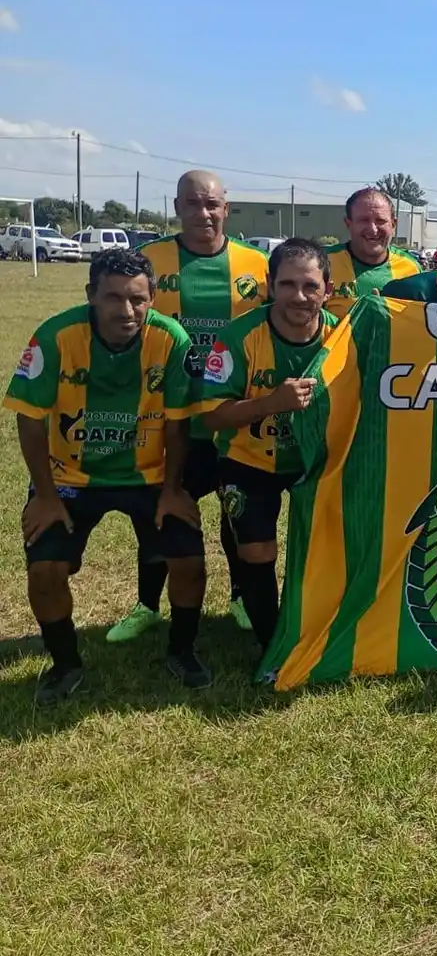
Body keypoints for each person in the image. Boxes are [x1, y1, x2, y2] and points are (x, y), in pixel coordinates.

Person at [6, 249, 209, 703]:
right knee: (45, 571)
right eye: (113, 297)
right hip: (69, 477)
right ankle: (64, 665)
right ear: (90, 296)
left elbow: (177, 422)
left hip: (149, 475)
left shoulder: (172, 340)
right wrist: (43, 494)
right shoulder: (56, 336)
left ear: (153, 298)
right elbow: (29, 417)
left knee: (190, 563)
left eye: (138, 299)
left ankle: (182, 651)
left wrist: (174, 489)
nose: (126, 310)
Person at [127, 169, 268, 641]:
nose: (203, 213)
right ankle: (147, 604)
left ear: (226, 208)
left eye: (212, 204)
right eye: (193, 203)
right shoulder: (148, 259)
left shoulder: (258, 264)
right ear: (177, 207)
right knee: (161, 513)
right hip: (169, 416)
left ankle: (242, 598)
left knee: (237, 512)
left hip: (233, 416)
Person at [198, 239, 338, 654]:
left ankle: (320, 629)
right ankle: (271, 643)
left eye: (310, 286)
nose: (299, 296)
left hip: (316, 461)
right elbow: (212, 417)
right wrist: (271, 404)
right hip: (249, 460)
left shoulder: (341, 338)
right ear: (269, 285)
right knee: (256, 551)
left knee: (330, 547)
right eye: (287, 284)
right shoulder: (237, 337)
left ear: (327, 289)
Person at [325, 188, 424, 321]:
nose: (373, 229)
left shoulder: (411, 268)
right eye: (363, 220)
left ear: (393, 224)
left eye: (380, 221)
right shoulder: (322, 262)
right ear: (348, 224)